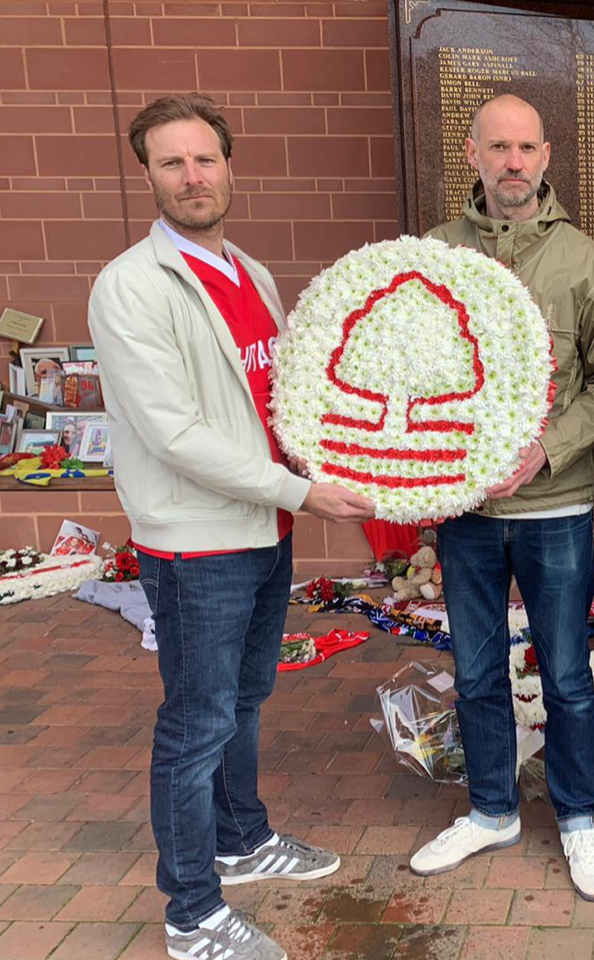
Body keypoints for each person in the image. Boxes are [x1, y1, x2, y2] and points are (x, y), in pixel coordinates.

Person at [88, 93, 376, 960]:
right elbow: (176, 434)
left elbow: (280, 402)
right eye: (172, 162)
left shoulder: (250, 272)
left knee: (246, 701)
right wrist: (301, 493)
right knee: (195, 723)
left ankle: (241, 840)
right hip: (198, 541)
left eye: (205, 158)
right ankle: (192, 914)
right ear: (147, 174)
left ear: (229, 165)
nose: (193, 176)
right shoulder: (130, 287)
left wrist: (338, 463)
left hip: (261, 529)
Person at [409, 94, 594, 901]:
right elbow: (414, 375)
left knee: (567, 673)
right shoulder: (432, 252)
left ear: (545, 156)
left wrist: (545, 449)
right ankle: (493, 808)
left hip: (556, 508)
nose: (513, 162)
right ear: (471, 152)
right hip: (465, 514)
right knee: (473, 672)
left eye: (526, 147)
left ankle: (575, 817)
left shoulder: (585, 261)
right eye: (497, 146)